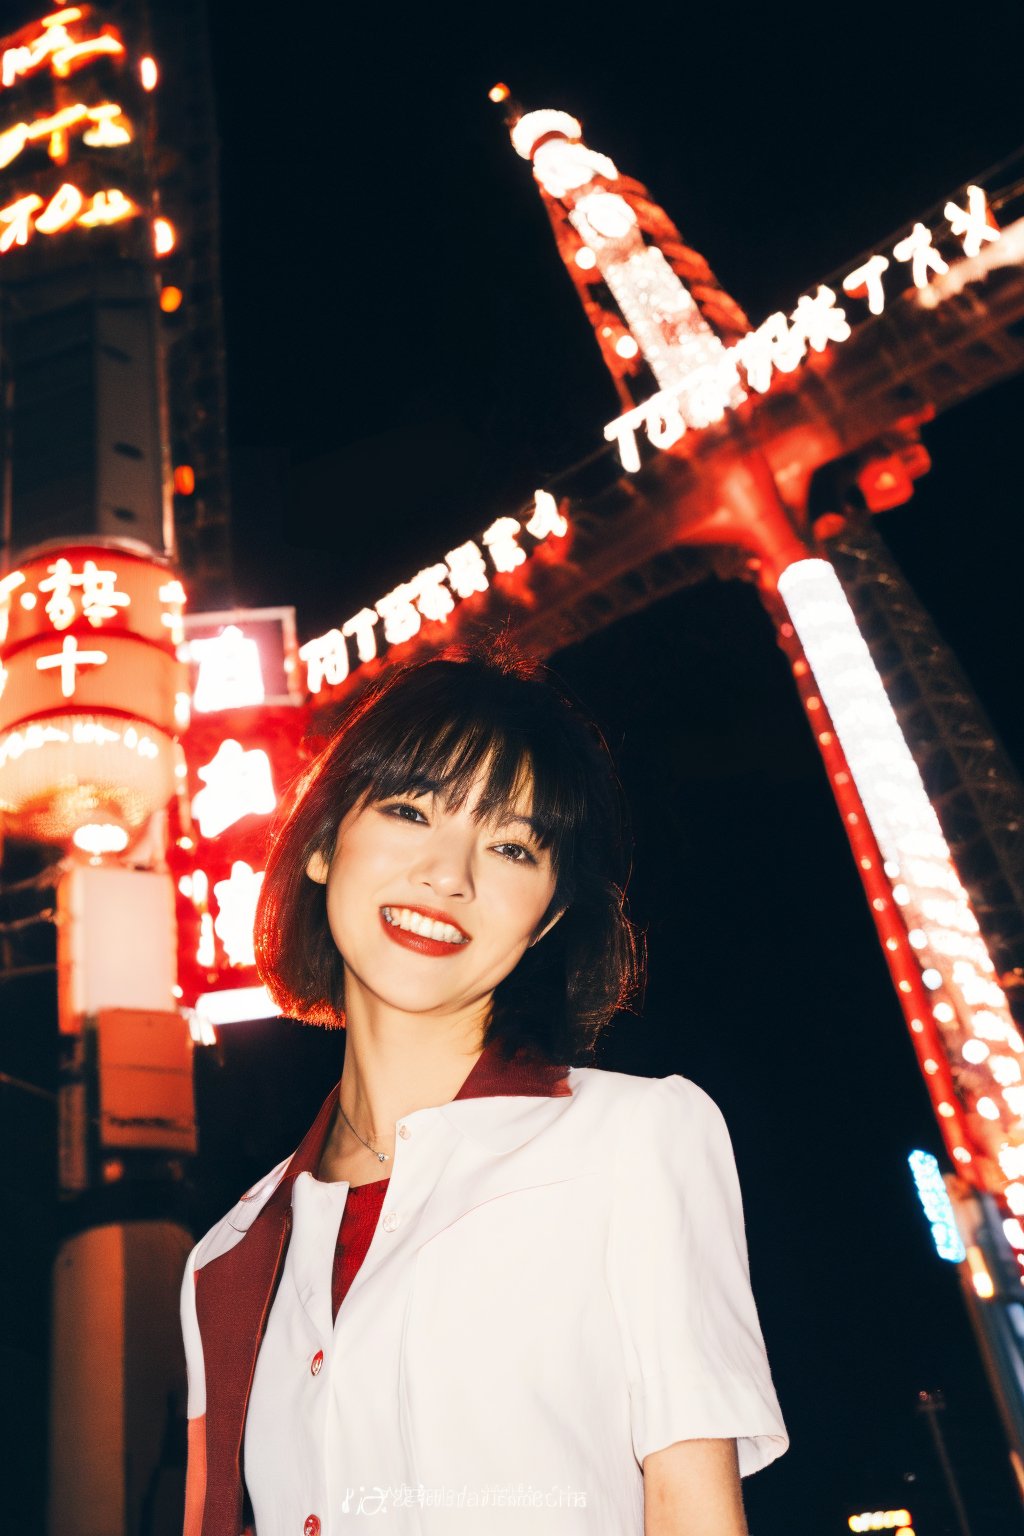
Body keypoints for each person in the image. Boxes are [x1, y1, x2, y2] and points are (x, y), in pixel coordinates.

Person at [179, 642, 788, 1536]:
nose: (450, 875)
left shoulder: (633, 1142)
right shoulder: (227, 1256)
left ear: (545, 917)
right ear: (320, 843)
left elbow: (694, 1514)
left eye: (510, 846)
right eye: (410, 809)